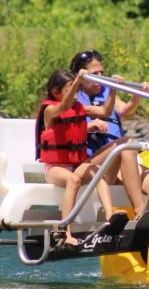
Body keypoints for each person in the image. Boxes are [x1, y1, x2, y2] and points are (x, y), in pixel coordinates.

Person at [35, 69, 125, 248]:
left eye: (76, 90)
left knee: (96, 171)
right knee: (73, 179)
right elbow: (63, 108)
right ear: (55, 92)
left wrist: (113, 89)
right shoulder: (50, 110)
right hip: (54, 169)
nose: (75, 94)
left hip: (76, 164)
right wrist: (78, 80)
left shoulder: (79, 108)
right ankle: (64, 231)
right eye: (70, 89)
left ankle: (110, 217)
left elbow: (106, 111)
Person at [70, 49, 149, 213]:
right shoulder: (73, 96)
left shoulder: (105, 90)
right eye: (95, 73)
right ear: (82, 76)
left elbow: (124, 110)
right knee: (127, 144)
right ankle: (139, 210)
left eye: (102, 72)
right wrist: (92, 124)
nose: (100, 77)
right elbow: (70, 126)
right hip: (91, 164)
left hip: (117, 159)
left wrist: (138, 94)